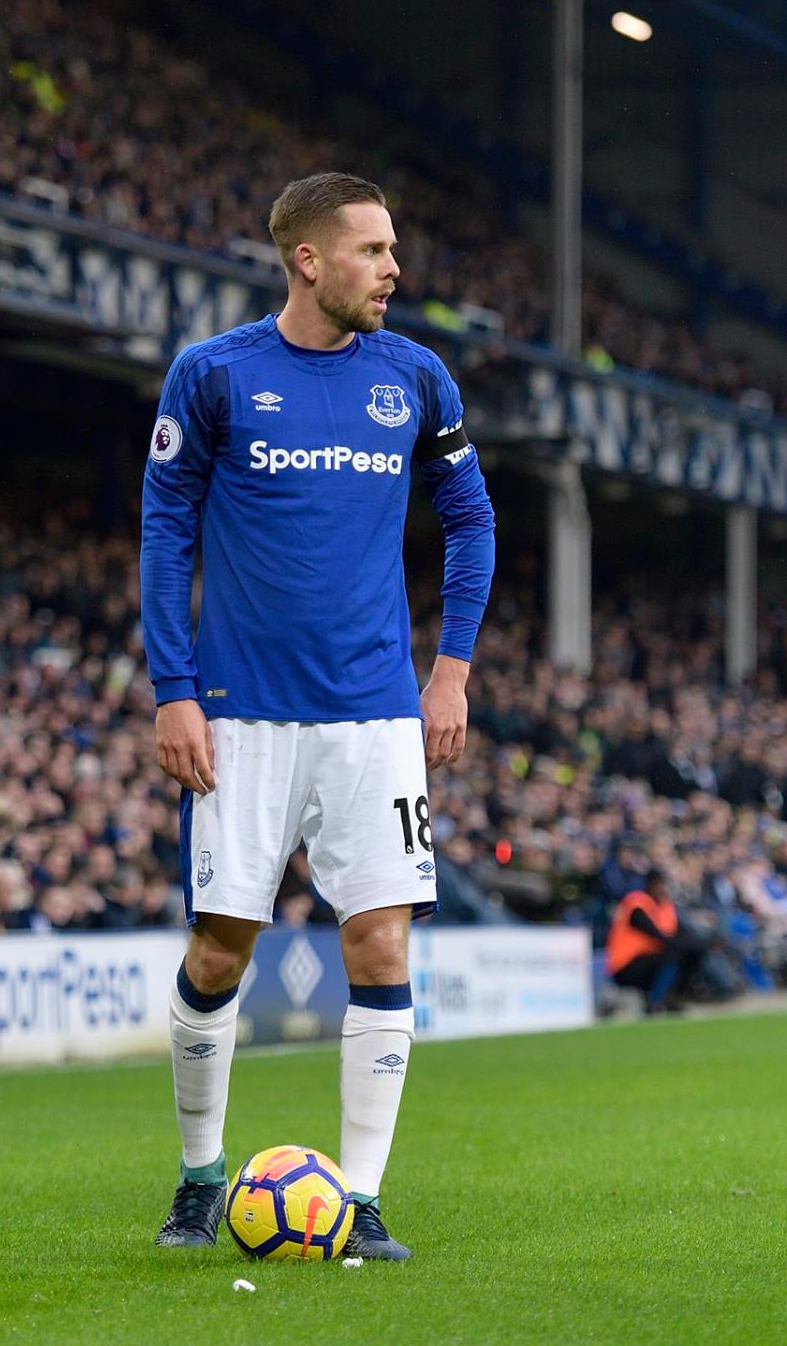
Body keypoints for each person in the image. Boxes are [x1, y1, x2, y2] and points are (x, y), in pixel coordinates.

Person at [139, 172, 495, 1261]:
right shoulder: (214, 375)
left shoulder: (414, 377)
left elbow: (471, 521)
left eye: (392, 249)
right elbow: (165, 532)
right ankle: (200, 1177)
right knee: (218, 953)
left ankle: (364, 1199)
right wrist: (173, 689)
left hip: (374, 718)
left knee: (381, 941)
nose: (394, 268)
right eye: (373, 250)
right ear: (308, 258)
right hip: (240, 715)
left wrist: (450, 672)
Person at [605, 867, 705, 1013]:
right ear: (651, 884)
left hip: (649, 959)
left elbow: (679, 932)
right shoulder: (637, 903)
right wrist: (690, 944)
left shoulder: (665, 905)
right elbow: (657, 935)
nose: (665, 888)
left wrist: (700, 944)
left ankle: (672, 996)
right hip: (625, 964)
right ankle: (655, 1001)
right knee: (673, 955)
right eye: (661, 883)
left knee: (689, 953)